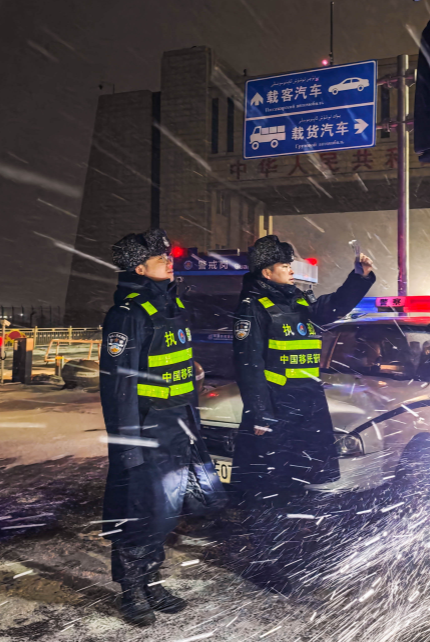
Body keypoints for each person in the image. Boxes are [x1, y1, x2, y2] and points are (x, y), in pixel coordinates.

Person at [231, 235, 375, 588]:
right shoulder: (253, 307)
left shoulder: (298, 300)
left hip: (306, 408)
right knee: (268, 488)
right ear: (267, 272)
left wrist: (358, 278)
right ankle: (265, 562)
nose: (291, 270)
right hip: (277, 410)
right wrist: (261, 415)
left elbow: (334, 307)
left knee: (298, 484)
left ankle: (291, 552)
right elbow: (248, 366)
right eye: (284, 266)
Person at [99, 227, 225, 626]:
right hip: (147, 431)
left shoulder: (172, 306)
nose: (170, 263)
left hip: (179, 427)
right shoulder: (127, 314)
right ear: (139, 268)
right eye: (161, 259)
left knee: (166, 513)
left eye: (169, 258)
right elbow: (118, 388)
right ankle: (132, 591)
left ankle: (151, 582)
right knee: (139, 511)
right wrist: (128, 446)